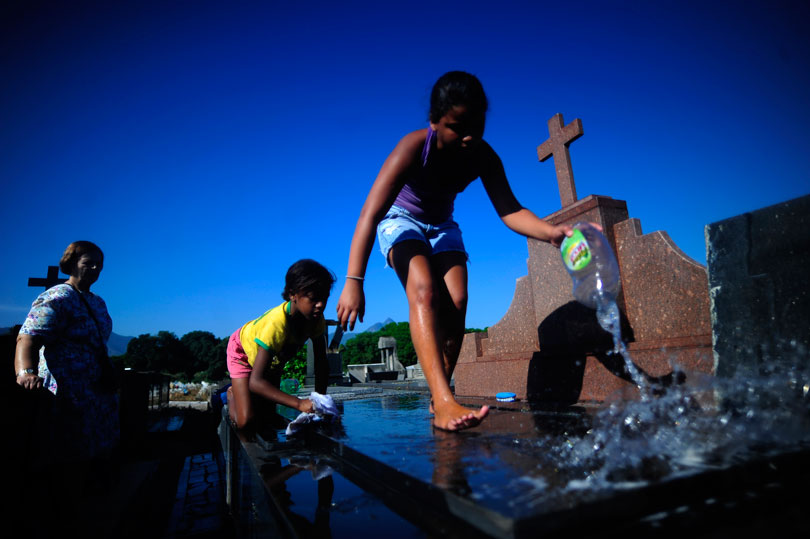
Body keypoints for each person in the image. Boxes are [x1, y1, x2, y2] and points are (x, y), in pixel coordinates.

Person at [336, 71, 578, 431]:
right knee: (423, 289)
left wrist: (551, 233)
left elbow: (510, 209)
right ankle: (446, 399)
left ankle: (440, 395)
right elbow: (370, 214)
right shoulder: (413, 147)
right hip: (399, 219)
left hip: (442, 225)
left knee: (458, 300)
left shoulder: (483, 155)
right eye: (456, 126)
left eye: (476, 126)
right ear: (434, 121)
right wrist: (354, 280)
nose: (468, 137)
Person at [15, 240, 120, 530]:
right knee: (68, 455)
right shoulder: (58, 296)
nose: (96, 268)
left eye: (99, 263)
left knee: (96, 450)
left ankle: (87, 510)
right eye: (89, 263)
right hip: (68, 390)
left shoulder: (97, 302)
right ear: (72, 263)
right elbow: (28, 337)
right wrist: (25, 372)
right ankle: (64, 518)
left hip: (95, 390)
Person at [226, 259, 335, 431]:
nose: (320, 305)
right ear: (293, 294)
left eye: (324, 298)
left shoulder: (316, 321)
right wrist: (299, 403)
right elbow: (256, 382)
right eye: (313, 298)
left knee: (269, 418)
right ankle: (232, 395)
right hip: (243, 353)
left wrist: (321, 402)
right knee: (246, 421)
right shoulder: (277, 324)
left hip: (272, 362)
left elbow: (321, 364)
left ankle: (247, 399)